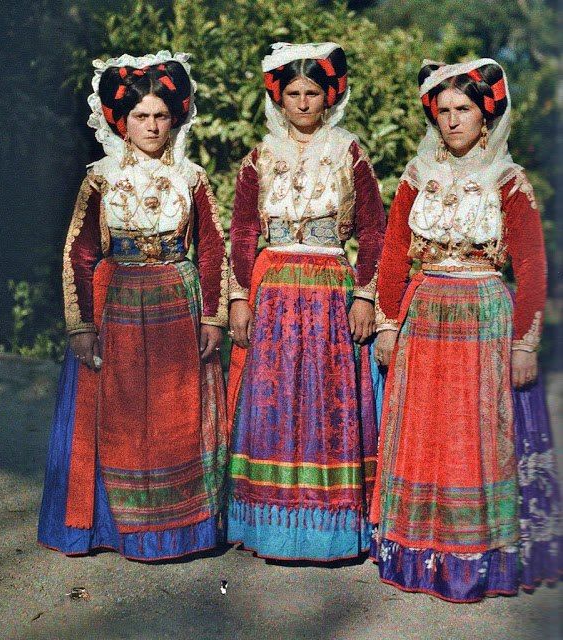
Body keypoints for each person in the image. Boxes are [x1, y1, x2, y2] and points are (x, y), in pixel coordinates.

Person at [370, 58, 560, 601]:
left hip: (483, 312)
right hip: (425, 308)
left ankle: (476, 557)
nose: (453, 121)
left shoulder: (507, 178)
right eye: (444, 110)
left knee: (475, 430)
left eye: (465, 110)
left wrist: (525, 343)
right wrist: (388, 322)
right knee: (426, 428)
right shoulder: (415, 175)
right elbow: (390, 255)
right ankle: (416, 552)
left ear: (485, 114)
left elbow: (531, 266)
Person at [38, 51, 229, 561]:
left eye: (161, 115)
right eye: (141, 116)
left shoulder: (192, 177)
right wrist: (80, 326)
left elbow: (211, 249)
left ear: (177, 117)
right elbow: (78, 252)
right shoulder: (100, 177)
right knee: (119, 412)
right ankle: (110, 526)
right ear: (121, 121)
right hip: (117, 302)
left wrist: (213, 316)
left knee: (175, 413)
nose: (151, 125)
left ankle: (179, 529)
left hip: (177, 302)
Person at [226, 42, 385, 562]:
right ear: (279, 97)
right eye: (292, 93)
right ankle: (270, 528)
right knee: (275, 398)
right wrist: (240, 298)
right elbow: (244, 230)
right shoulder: (260, 156)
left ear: (328, 96)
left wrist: (364, 295)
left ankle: (328, 531)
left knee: (325, 397)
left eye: (312, 93)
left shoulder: (349, 152)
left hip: (328, 289)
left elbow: (375, 232)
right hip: (273, 288)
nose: (301, 103)